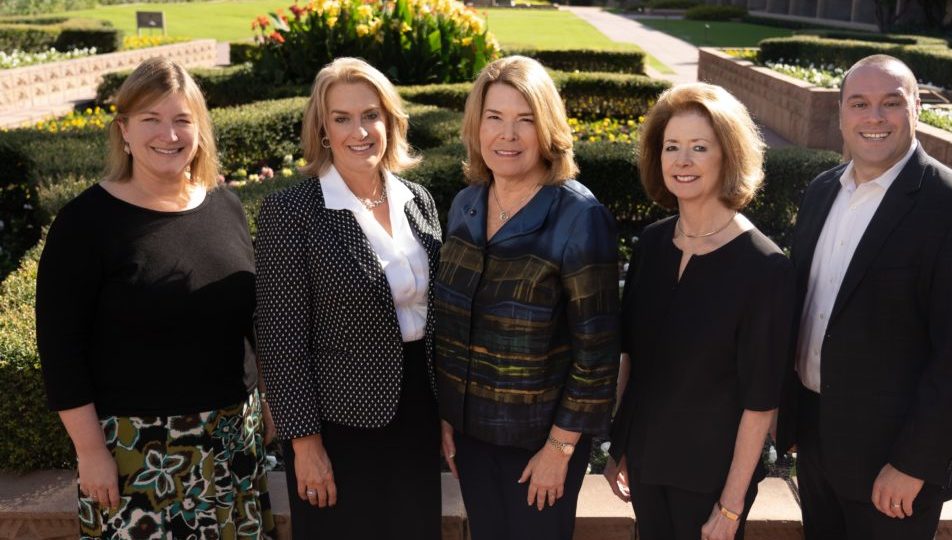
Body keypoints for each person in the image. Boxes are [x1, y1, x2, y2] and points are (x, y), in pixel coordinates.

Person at [775, 54, 952, 539]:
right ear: (840, 112)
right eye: (859, 103)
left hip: (894, 464)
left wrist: (914, 463)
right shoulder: (821, 191)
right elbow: (811, 312)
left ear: (917, 107)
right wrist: (797, 425)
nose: (874, 117)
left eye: (891, 103)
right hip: (819, 443)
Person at [35, 57, 273, 539]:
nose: (169, 134)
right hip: (134, 453)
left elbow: (254, 318)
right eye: (151, 119)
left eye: (183, 120)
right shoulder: (84, 225)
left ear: (200, 130)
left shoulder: (225, 205)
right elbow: (61, 352)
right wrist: (90, 454)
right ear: (123, 129)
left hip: (233, 442)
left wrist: (267, 401)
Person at [254, 57, 442, 539]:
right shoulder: (291, 212)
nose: (359, 131)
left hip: (419, 412)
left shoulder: (417, 200)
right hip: (339, 426)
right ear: (322, 129)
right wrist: (305, 444)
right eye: (342, 118)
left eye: (371, 115)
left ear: (390, 121)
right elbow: (280, 339)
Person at [434, 55, 621, 540]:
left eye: (525, 121)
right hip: (473, 438)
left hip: (540, 445)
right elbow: (452, 323)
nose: (508, 135)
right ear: (477, 126)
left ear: (548, 129)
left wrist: (559, 450)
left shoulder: (579, 216)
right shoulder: (466, 203)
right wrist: (449, 416)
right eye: (494, 118)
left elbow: (597, 354)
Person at [603, 83, 795, 540]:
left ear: (727, 156)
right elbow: (633, 358)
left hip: (710, 478)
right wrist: (619, 447)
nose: (681, 160)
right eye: (671, 147)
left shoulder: (765, 267)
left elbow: (760, 402)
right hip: (647, 464)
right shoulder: (652, 244)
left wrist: (730, 505)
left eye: (698, 147)